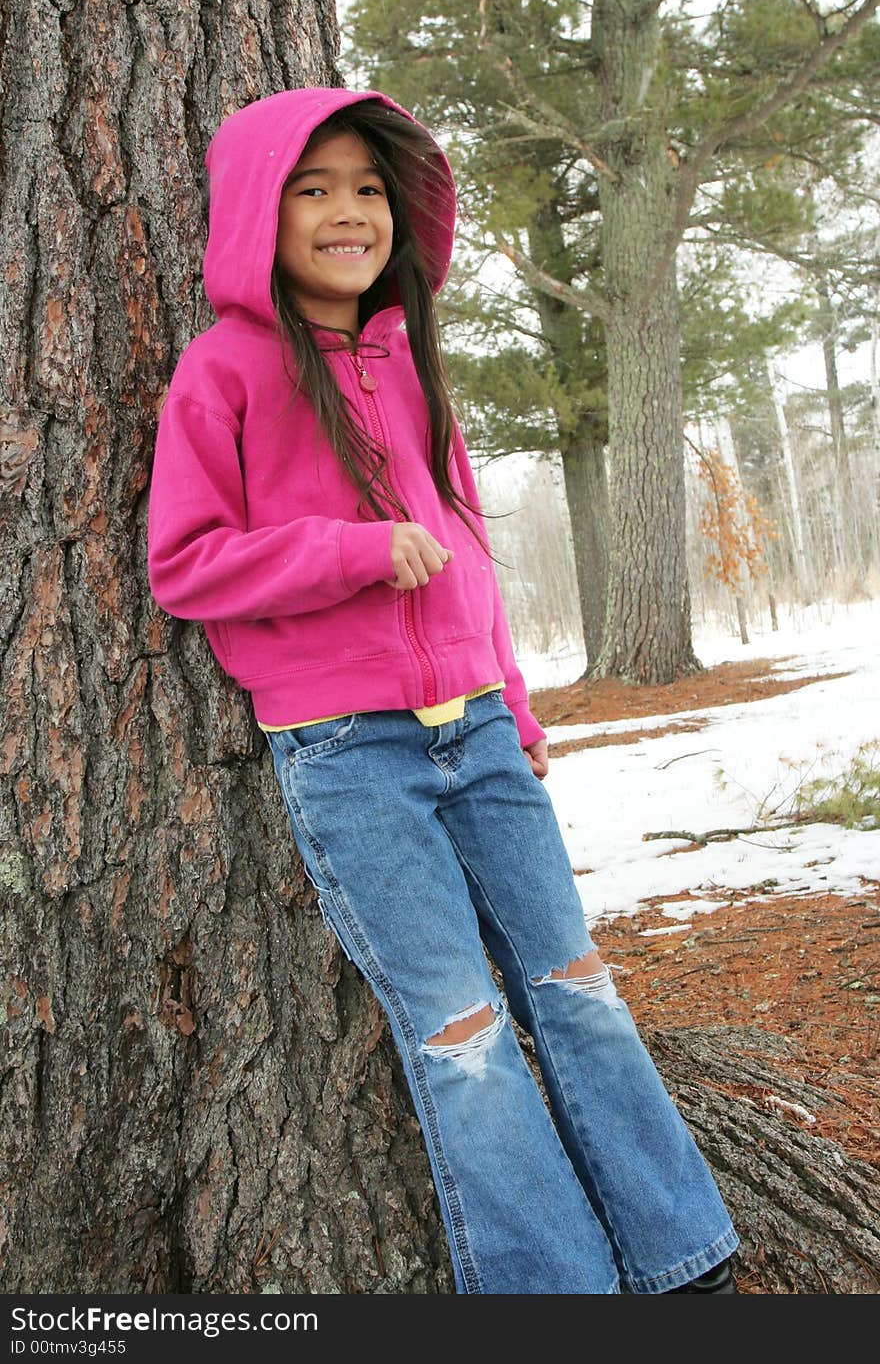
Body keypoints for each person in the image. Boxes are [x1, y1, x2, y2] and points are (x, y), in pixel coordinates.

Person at [147, 86, 739, 1295]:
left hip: (474, 730)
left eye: (368, 188)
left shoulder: (411, 363)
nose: (346, 212)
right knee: (462, 1038)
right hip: (345, 752)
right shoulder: (226, 370)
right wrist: (350, 549)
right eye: (312, 189)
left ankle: (683, 1259)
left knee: (577, 993)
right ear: (260, 214)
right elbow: (184, 561)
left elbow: (464, 550)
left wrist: (513, 709)